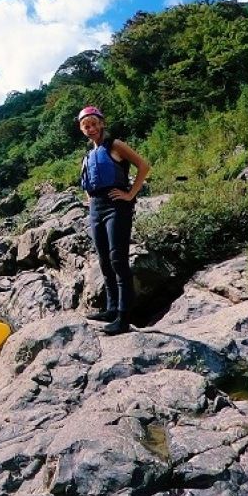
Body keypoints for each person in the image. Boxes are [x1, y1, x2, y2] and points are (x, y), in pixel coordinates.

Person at [78, 105, 151, 335]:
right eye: (85, 125)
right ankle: (110, 309)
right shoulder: (88, 156)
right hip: (96, 209)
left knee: (118, 260)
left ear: (101, 123)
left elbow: (144, 166)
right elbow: (87, 184)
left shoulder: (115, 145)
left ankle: (123, 317)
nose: (90, 128)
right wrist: (90, 201)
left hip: (116, 206)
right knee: (104, 261)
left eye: (93, 123)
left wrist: (130, 195)